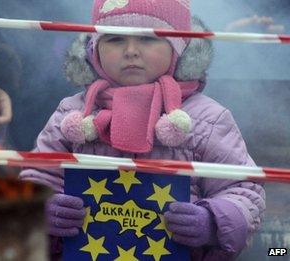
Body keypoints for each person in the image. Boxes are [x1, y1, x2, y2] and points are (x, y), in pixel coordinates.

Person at [19, 0, 265, 260]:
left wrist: (212, 222)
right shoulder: (72, 114)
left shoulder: (209, 119)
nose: (131, 51)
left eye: (149, 39)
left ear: (179, 49)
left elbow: (243, 190)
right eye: (114, 39)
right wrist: (40, 210)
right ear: (93, 50)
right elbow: (38, 176)